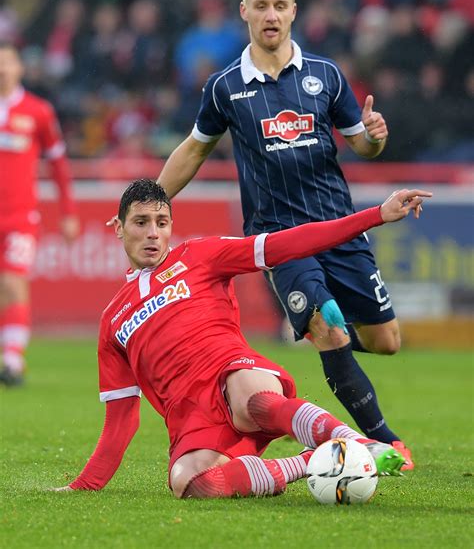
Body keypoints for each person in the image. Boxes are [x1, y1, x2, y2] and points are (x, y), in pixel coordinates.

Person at [157, 0, 415, 469]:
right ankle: (385, 442)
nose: (270, 15)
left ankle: (327, 340)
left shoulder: (326, 75)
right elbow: (193, 150)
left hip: (340, 229)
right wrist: (145, 203)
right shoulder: (226, 87)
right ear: (244, 12)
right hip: (279, 241)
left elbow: (362, 143)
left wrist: (375, 135)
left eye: (279, 5)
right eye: (261, 6)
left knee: (386, 342)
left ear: (294, 12)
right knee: (328, 329)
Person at [52, 179, 431, 497]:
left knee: (255, 400)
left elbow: (289, 243)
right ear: (118, 227)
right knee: (188, 482)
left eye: (161, 222)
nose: (153, 232)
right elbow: (122, 421)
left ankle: (359, 444)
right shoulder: (112, 321)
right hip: (193, 419)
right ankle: (310, 461)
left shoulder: (200, 255)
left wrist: (376, 216)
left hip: (234, 372)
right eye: (140, 222)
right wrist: (82, 487)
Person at [0, 42, 80, 386]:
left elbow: (58, 164)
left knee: (13, 282)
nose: (2, 68)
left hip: (20, 217)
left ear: (20, 68)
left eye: (7, 62)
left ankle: (12, 361)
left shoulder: (38, 111)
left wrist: (68, 212)